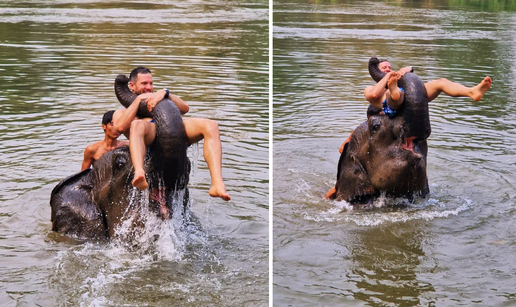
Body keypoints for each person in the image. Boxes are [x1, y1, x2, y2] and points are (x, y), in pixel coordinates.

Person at [325, 59, 492, 200]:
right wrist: (389, 80)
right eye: (384, 68)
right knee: (394, 96)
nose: (388, 69)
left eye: (390, 67)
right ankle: (339, 186)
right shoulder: (374, 90)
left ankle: (472, 92)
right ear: (377, 73)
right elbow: (374, 96)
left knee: (440, 82)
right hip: (387, 115)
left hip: (403, 121)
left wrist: (407, 73)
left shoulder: (404, 87)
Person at [112, 66, 231, 201]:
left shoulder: (157, 98)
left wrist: (165, 93)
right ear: (132, 86)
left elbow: (185, 108)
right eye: (144, 83)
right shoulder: (120, 113)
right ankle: (140, 173)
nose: (149, 87)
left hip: (173, 130)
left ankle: (217, 183)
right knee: (137, 124)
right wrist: (138, 100)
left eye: (151, 83)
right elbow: (120, 127)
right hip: (151, 136)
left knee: (211, 125)